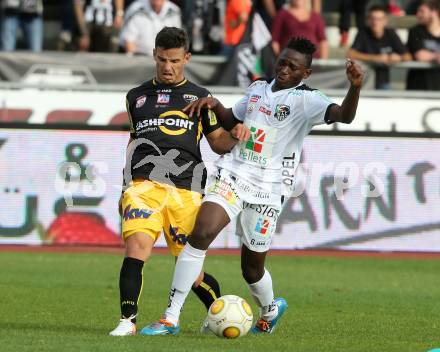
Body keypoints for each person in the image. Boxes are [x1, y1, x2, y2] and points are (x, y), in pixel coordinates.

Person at [141, 37, 364, 335]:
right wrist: (215, 105)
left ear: (305, 74)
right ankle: (171, 317)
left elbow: (345, 117)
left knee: (252, 269)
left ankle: (270, 308)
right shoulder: (258, 88)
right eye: (281, 62)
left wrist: (355, 87)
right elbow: (232, 118)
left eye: (292, 66)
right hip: (233, 174)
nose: (284, 69)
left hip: (270, 189)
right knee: (201, 233)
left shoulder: (309, 100)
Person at [109, 26, 245, 336]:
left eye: (173, 61)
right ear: (154, 56)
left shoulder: (200, 98)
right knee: (137, 247)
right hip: (143, 186)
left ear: (186, 58)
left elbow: (219, 144)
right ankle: (127, 321)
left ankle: (222, 313)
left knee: (192, 273)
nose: (167, 68)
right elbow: (133, 143)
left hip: (187, 187)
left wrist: (237, 135)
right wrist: (124, 186)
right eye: (161, 60)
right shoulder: (136, 97)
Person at [347, 4, 411, 89]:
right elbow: (350, 54)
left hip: (383, 81)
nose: (375, 22)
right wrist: (375, 58)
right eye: (373, 19)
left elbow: (408, 56)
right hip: (364, 81)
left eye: (379, 19)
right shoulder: (363, 33)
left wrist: (398, 58)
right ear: (368, 20)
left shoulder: (390, 33)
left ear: (385, 21)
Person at [406, 0, 440, 90]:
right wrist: (436, 56)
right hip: (418, 87)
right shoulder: (415, 31)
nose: (418, 14)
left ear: (434, 12)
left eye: (422, 11)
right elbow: (420, 55)